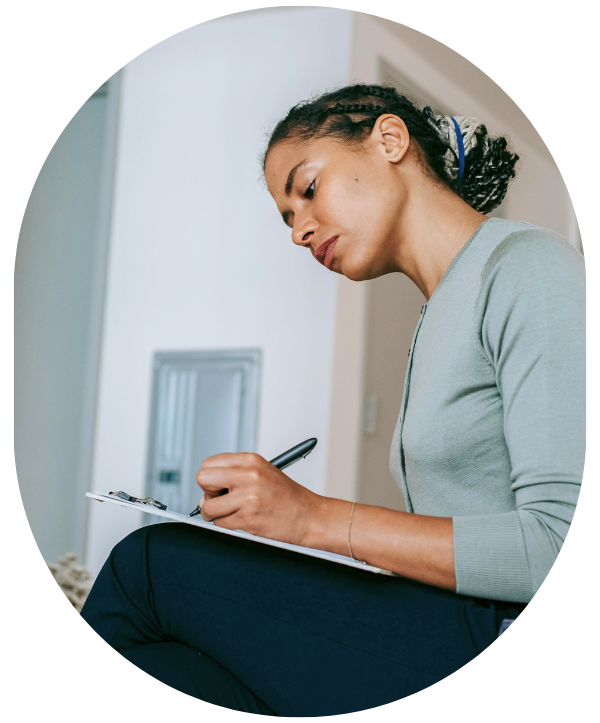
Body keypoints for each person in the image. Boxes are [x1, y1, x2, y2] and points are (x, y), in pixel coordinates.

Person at [80, 84, 586, 715]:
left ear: (389, 141)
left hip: (484, 631)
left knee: (146, 565)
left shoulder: (528, 267)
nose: (299, 231)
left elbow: (552, 542)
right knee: (171, 667)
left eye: (307, 189)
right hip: (439, 620)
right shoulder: (438, 313)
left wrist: (312, 519)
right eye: (288, 217)